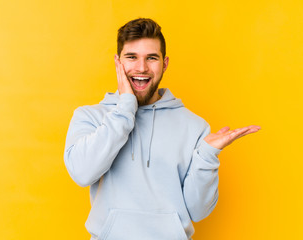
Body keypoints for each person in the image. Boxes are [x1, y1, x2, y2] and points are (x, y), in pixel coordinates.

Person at [64, 18, 260, 240]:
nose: (141, 67)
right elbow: (82, 173)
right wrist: (125, 107)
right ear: (118, 63)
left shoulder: (194, 127)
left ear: (164, 64)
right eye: (132, 57)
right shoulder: (90, 117)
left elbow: (198, 211)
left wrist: (207, 156)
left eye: (151, 58)